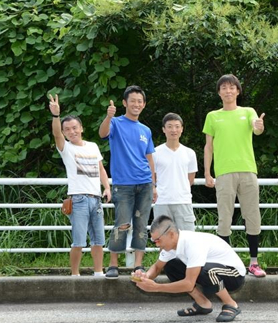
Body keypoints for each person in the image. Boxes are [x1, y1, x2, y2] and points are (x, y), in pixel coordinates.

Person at [203, 74, 266, 278]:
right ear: (219, 92)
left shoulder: (248, 111)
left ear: (238, 91)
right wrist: (207, 172)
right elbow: (209, 146)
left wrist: (259, 126)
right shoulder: (213, 116)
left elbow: (256, 128)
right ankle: (226, 263)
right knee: (224, 218)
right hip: (223, 173)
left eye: (232, 87)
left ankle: (254, 262)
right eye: (224, 88)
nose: (228, 91)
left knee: (252, 216)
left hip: (248, 170)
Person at [132, 215, 246, 322]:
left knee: (206, 271)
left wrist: (156, 287)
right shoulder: (170, 246)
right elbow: (157, 267)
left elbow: (189, 284)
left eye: (158, 240)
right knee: (170, 265)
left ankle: (231, 304)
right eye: (154, 241)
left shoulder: (193, 243)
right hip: (212, 271)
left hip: (234, 274)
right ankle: (203, 303)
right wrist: (145, 277)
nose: (157, 245)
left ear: (171, 234)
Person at [49, 94, 111, 277]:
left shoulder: (93, 146)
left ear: (81, 128)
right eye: (67, 129)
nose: (72, 131)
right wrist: (56, 115)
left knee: (99, 240)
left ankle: (98, 273)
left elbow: (101, 169)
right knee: (78, 241)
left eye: (75, 127)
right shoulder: (66, 148)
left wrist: (107, 187)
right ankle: (75, 276)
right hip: (78, 199)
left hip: (96, 198)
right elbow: (56, 134)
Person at [98, 86, 155, 279]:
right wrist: (109, 116)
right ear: (125, 103)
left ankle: (138, 265)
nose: (136, 104)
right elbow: (102, 134)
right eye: (133, 101)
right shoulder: (115, 123)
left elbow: (149, 158)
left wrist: (154, 185)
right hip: (123, 184)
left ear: (144, 104)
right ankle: (113, 264)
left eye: (140, 101)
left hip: (145, 183)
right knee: (121, 223)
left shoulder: (145, 130)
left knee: (141, 225)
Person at [152, 112, 198, 231]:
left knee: (187, 237)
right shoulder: (155, 153)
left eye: (177, 126)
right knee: (163, 237)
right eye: (170, 126)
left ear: (182, 129)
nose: (174, 130)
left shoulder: (189, 153)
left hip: (183, 201)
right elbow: (153, 177)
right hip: (162, 201)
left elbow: (190, 179)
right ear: (164, 129)